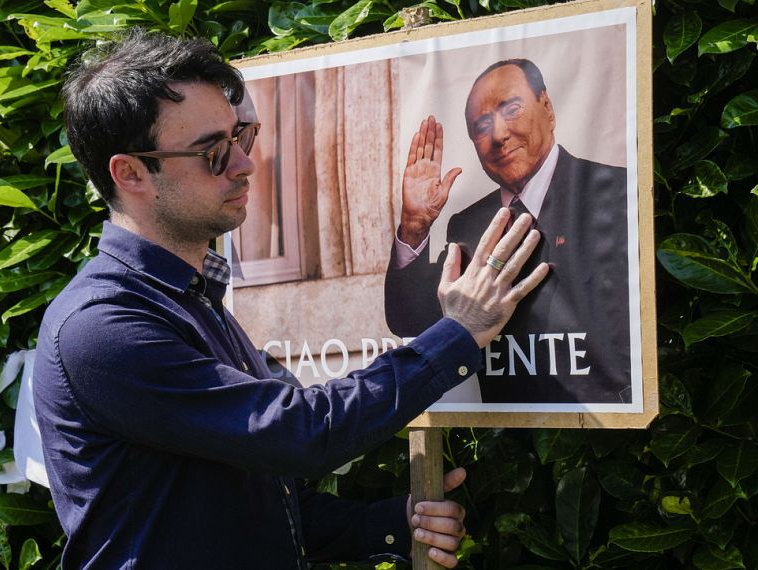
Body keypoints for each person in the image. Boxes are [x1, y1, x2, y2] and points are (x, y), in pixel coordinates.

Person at [32, 29, 549, 569]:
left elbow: (255, 503)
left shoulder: (194, 298)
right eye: (212, 153)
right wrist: (458, 334)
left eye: (242, 137)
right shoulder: (102, 325)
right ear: (130, 173)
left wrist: (393, 523)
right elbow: (299, 433)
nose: (244, 164)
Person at [385, 58, 631, 405]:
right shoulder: (467, 223)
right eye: (482, 126)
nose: (499, 134)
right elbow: (410, 321)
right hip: (503, 429)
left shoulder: (616, 191)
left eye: (511, 108)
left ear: (547, 107)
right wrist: (414, 226)